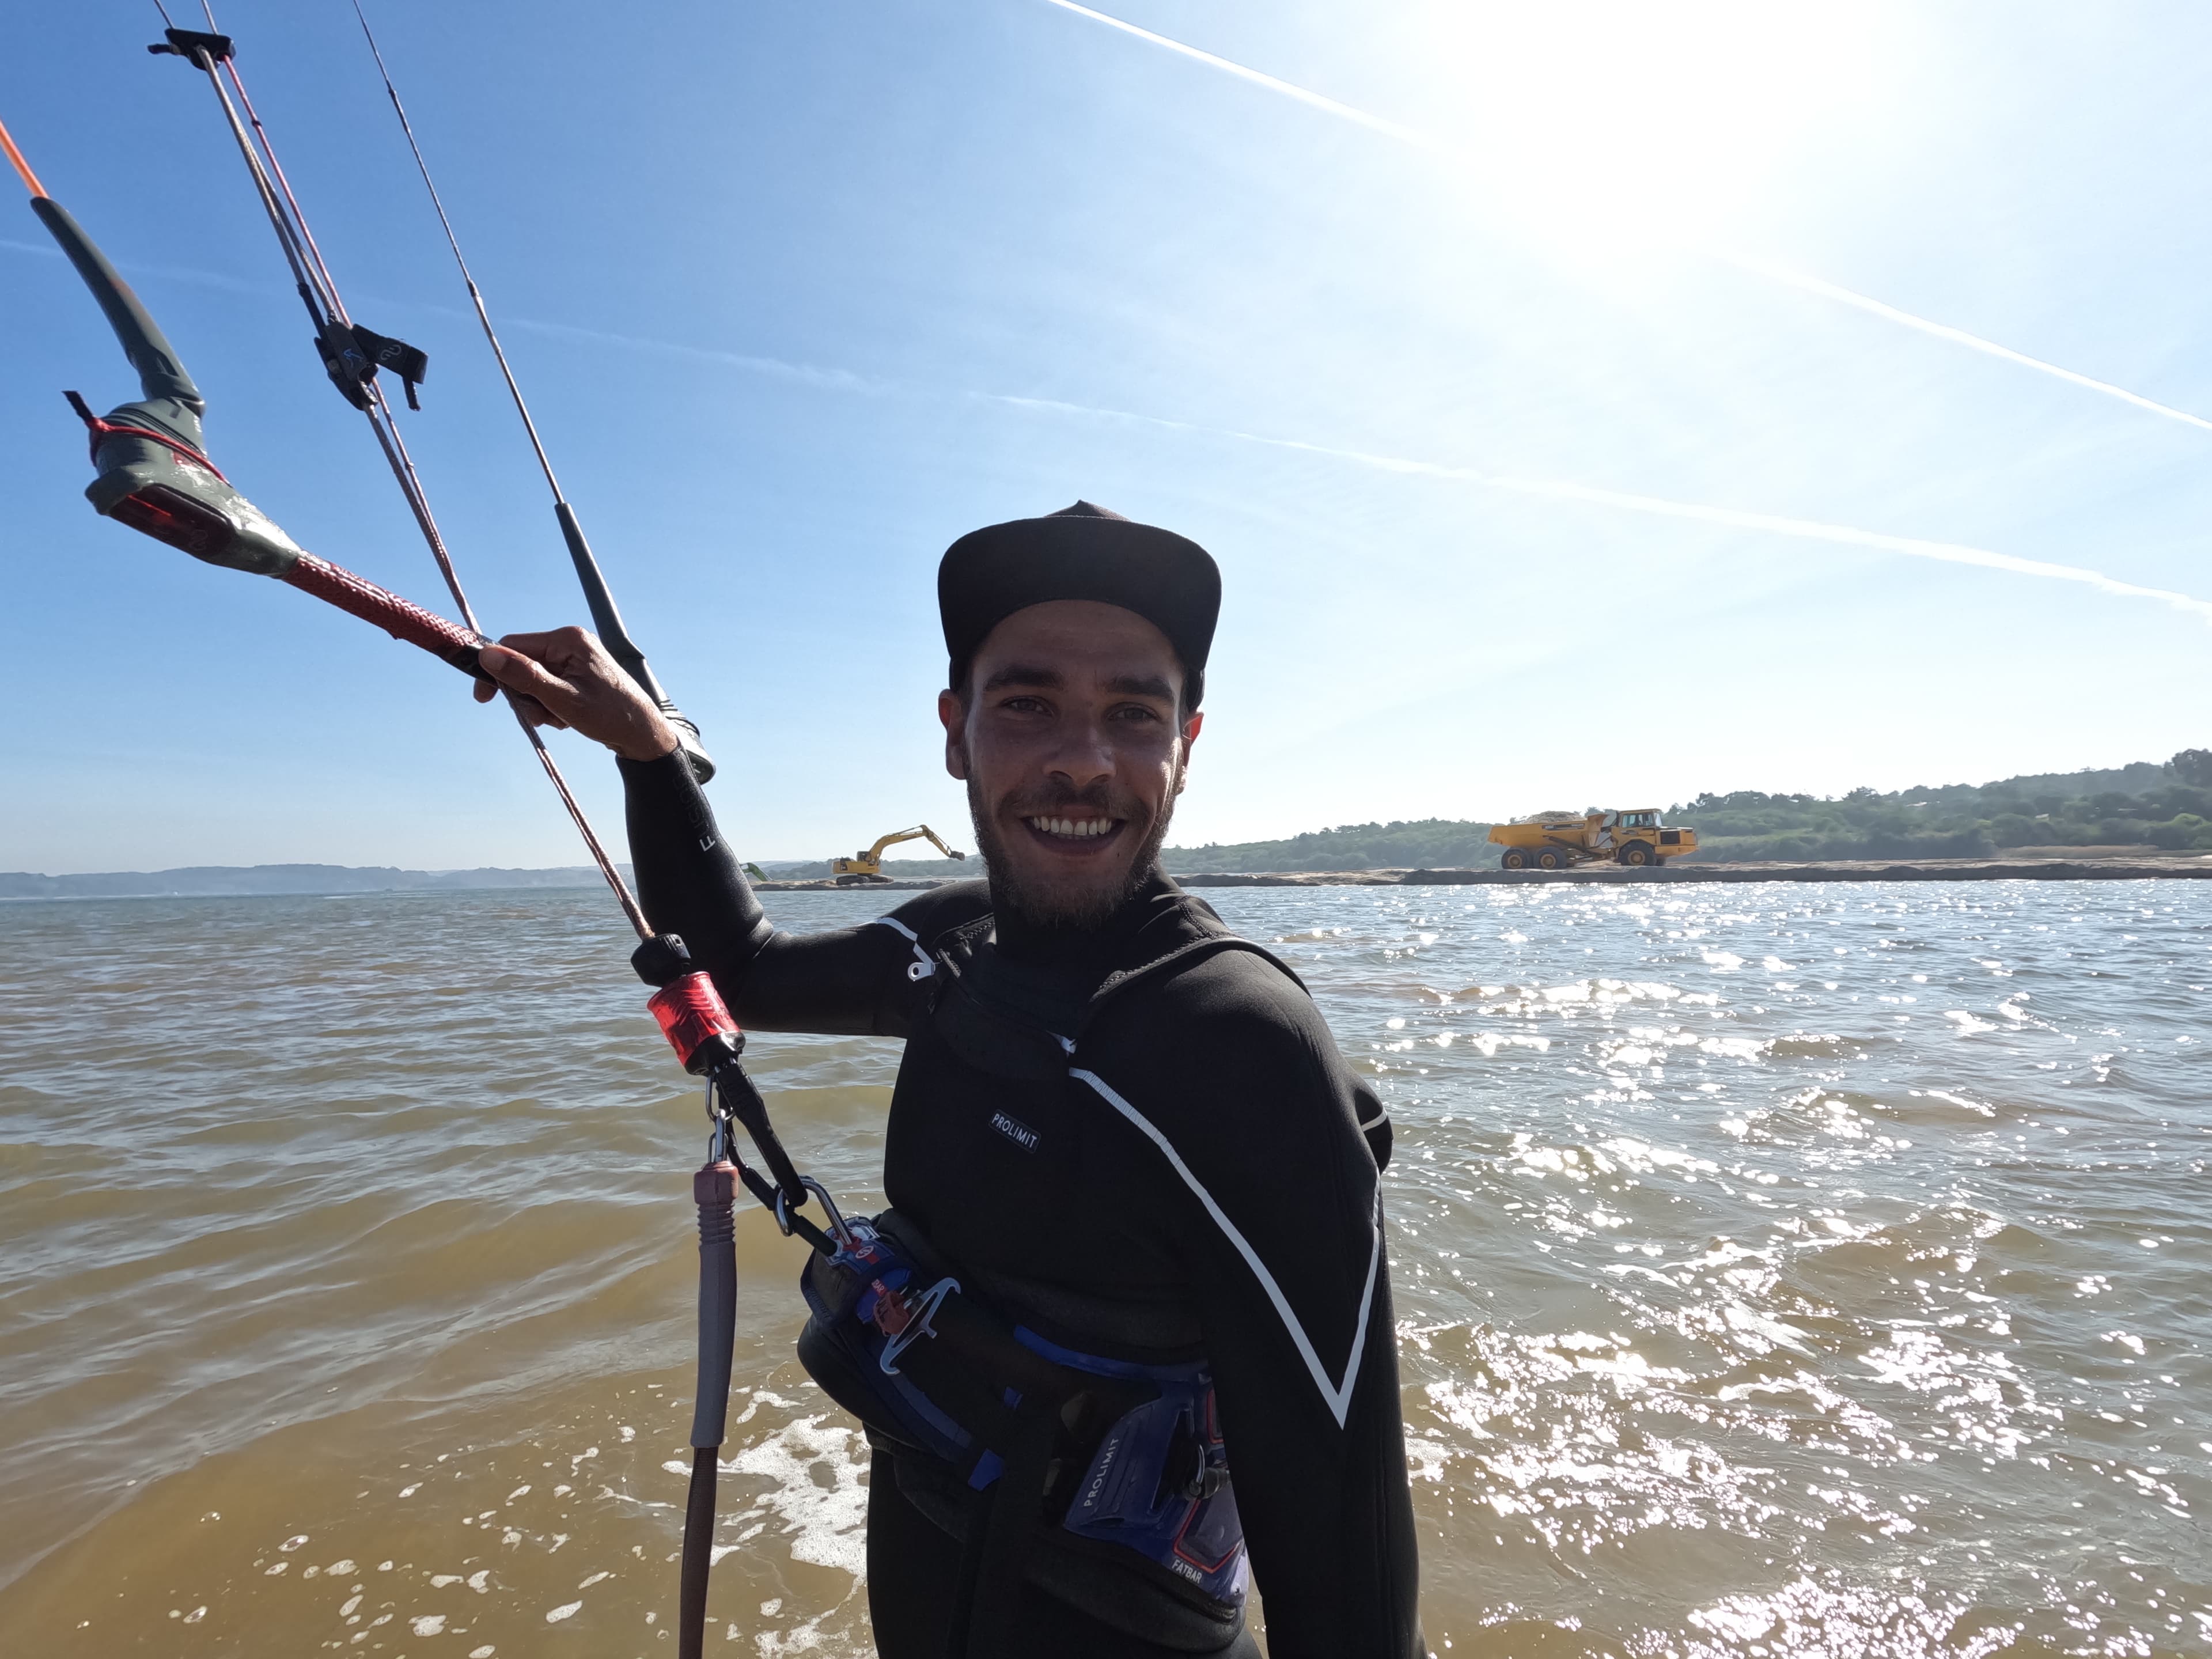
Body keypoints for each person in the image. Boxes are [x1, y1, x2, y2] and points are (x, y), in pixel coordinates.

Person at [475, 502, 1426, 1658]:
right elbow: (742, 973)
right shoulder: (957, 952)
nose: (1083, 758)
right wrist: (650, 753)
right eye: (1028, 705)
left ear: (1187, 742)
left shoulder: (1236, 1042)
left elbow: (1343, 1533)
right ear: (955, 733)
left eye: (1134, 712)